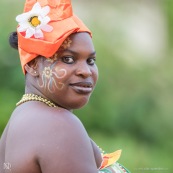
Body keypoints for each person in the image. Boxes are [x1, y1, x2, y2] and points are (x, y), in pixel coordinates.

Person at [0, 0, 130, 173]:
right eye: (68, 59)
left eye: (91, 60)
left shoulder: (20, 121)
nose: (86, 71)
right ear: (32, 65)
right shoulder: (58, 126)